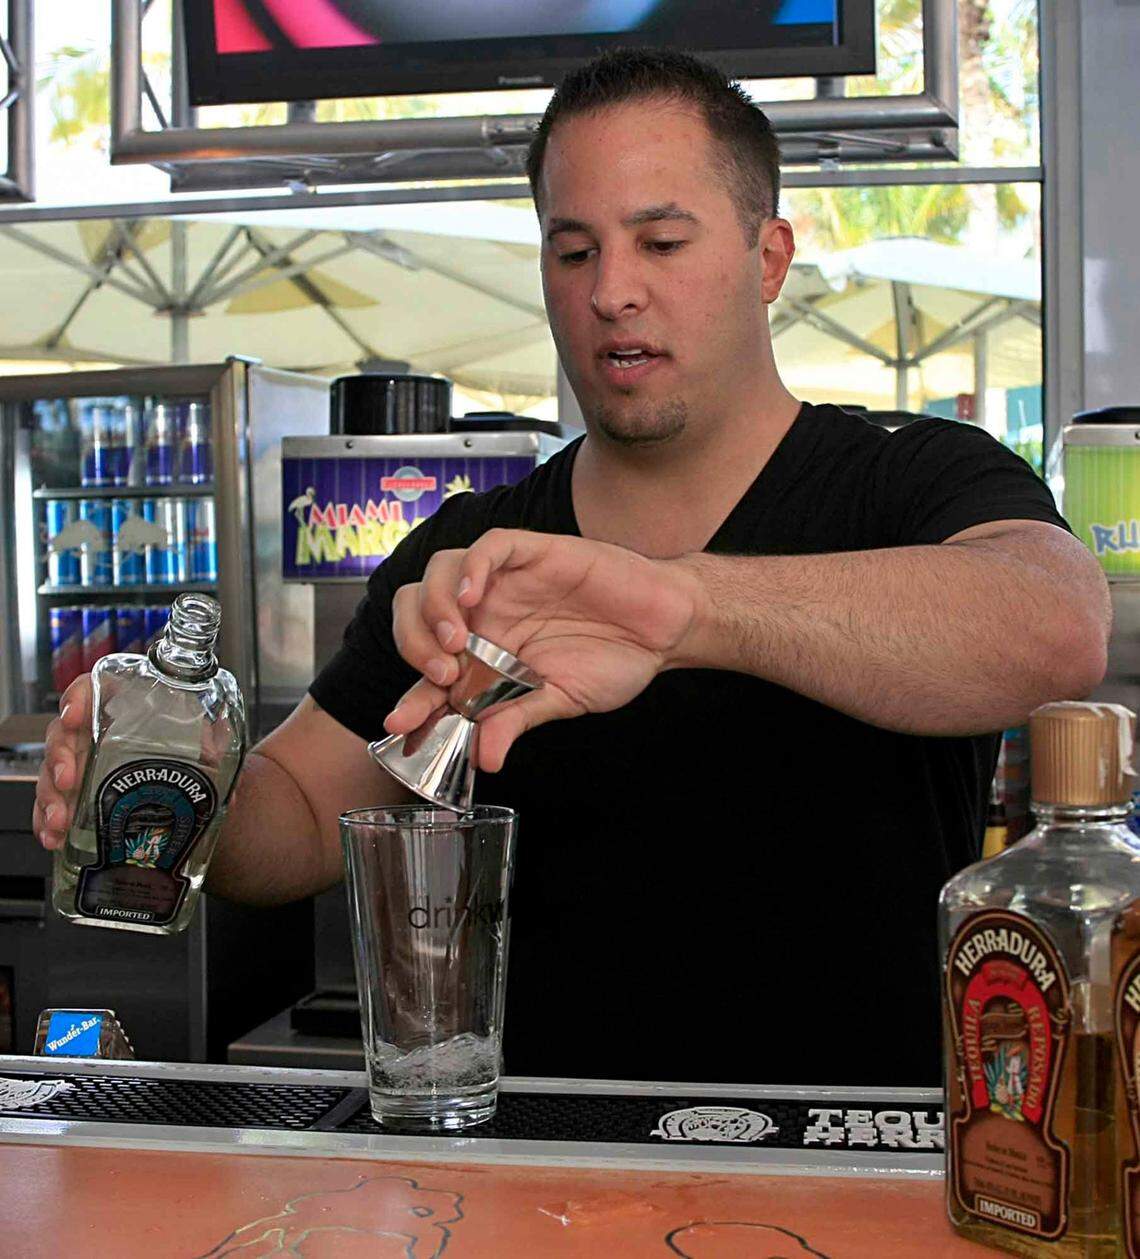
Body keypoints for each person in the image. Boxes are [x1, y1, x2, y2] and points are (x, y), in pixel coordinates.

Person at [34, 49, 1108, 1086]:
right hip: (545, 1160)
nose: (612, 292)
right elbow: (303, 816)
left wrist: (684, 608)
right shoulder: (469, 556)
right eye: (574, 250)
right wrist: (175, 776)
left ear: (769, 258)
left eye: (662, 241)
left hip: (851, 1157)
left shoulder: (911, 481)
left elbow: (1056, 626)